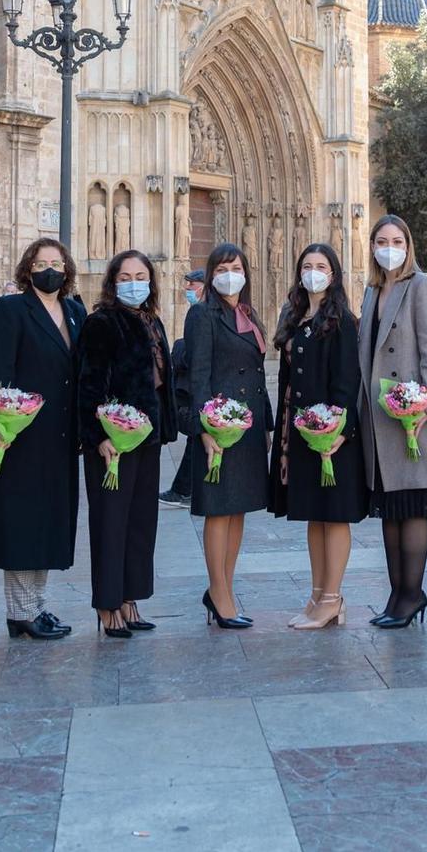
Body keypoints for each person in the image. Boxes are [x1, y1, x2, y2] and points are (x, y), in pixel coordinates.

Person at [0, 238, 83, 642]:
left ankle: (36, 606)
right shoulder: (10, 309)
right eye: (41, 262)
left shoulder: (74, 311)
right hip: (19, 435)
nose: (49, 269)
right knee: (22, 522)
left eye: (56, 262)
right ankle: (20, 612)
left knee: (47, 522)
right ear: (28, 268)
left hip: (59, 435)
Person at [268, 242, 366, 629]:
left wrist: (339, 429)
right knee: (313, 516)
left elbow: (347, 380)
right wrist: (287, 442)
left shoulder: (341, 319)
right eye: (307, 265)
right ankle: (316, 594)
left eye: (321, 265)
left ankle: (333, 598)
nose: (313, 272)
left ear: (334, 273)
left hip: (333, 435)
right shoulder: (295, 316)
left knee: (334, 516)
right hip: (302, 432)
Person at [78, 249, 175, 637]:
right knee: (110, 522)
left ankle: (130, 598)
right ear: (113, 283)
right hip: (113, 441)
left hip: (145, 438)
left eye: (141, 276)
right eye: (125, 277)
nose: (134, 283)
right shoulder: (101, 323)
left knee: (139, 522)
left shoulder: (152, 321)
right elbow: (90, 382)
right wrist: (99, 436)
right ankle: (107, 604)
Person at [358, 215, 427, 629]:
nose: (388, 246)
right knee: (390, 511)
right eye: (381, 240)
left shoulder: (421, 286)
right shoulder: (372, 290)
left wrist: (423, 410)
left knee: (412, 509)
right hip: (379, 417)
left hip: (411, 418)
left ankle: (412, 594)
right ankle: (397, 594)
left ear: (408, 245)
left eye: (396, 240)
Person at [181, 242, 271, 629]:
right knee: (218, 510)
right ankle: (218, 593)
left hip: (247, 428)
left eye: (234, 267)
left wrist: (265, 427)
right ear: (211, 275)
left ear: (246, 272)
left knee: (237, 511)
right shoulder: (203, 315)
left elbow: (257, 375)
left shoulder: (247, 315)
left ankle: (225, 588)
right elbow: (198, 375)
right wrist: (204, 429)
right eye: (220, 268)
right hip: (218, 427)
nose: (228, 274)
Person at [158, 269, 208, 508]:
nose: (188, 290)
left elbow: (194, 354)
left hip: (196, 391)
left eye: (192, 286)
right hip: (191, 390)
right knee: (196, 439)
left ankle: (184, 490)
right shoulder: (198, 311)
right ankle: (185, 489)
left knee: (197, 437)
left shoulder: (204, 312)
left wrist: (178, 349)